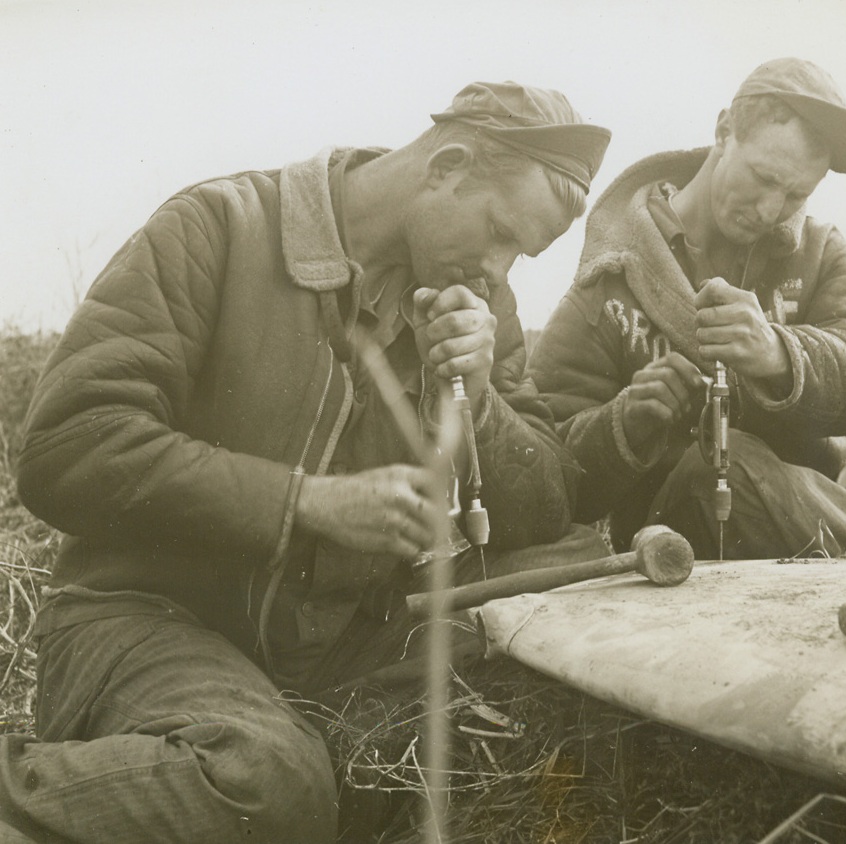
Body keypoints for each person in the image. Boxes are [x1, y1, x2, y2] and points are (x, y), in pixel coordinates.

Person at [2, 81, 612, 843]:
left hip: (328, 647)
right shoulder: (218, 229)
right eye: (498, 233)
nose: (499, 269)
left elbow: (549, 505)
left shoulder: (478, 301)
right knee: (268, 783)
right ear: (448, 164)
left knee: (563, 671)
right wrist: (306, 504)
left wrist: (480, 402)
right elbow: (69, 448)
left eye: (521, 255)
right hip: (147, 617)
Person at [528, 57, 846, 561]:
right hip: (706, 516)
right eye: (763, 178)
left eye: (797, 193)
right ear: (723, 131)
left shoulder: (819, 250)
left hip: (839, 488)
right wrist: (627, 419)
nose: (771, 210)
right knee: (732, 468)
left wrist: (778, 352)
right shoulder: (608, 286)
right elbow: (549, 468)